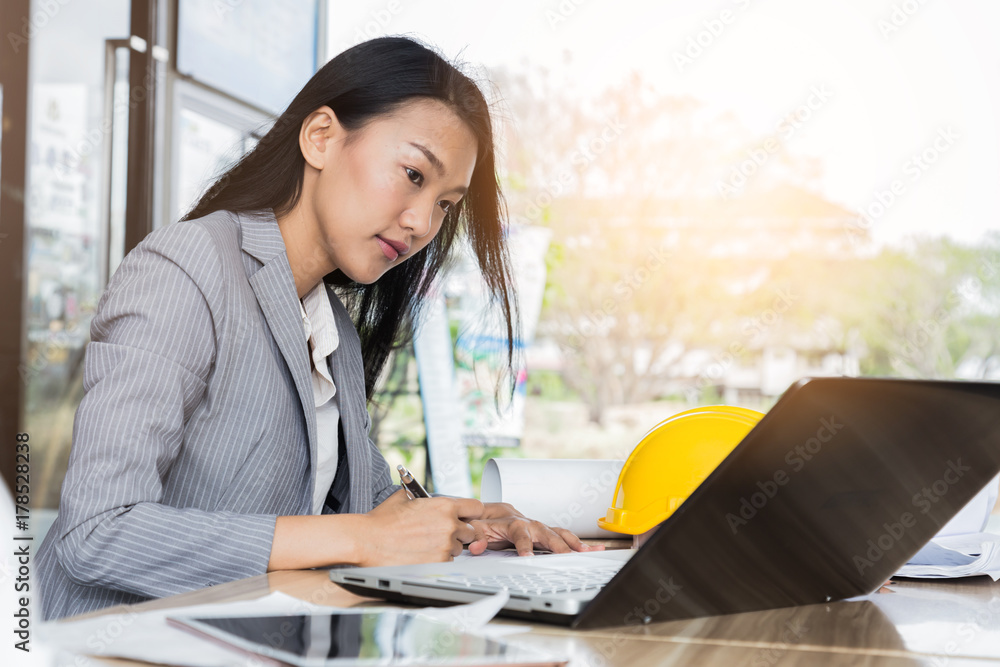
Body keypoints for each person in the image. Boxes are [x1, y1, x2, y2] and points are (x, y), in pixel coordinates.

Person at [36, 36, 601, 621]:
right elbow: (98, 530)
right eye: (412, 174)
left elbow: (363, 503)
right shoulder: (188, 266)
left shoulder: (333, 329)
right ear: (321, 137)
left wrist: (474, 524)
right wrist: (362, 540)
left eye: (445, 204)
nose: (420, 222)